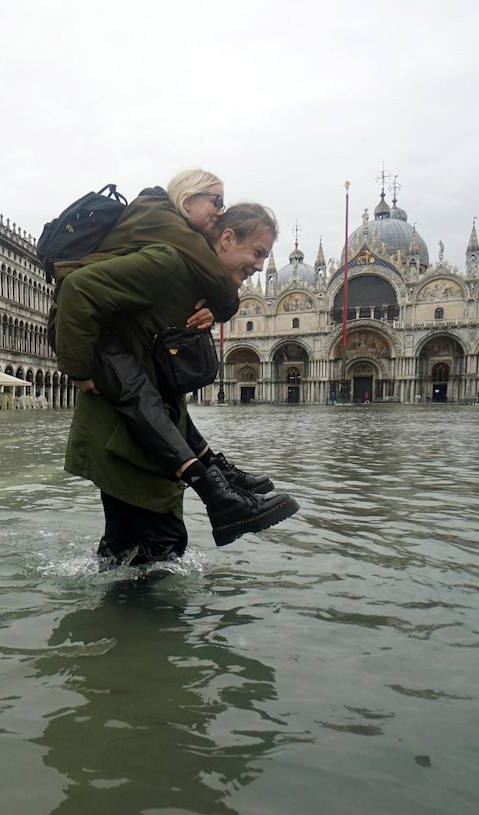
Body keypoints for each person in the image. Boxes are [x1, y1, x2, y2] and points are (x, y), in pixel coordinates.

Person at [57, 203, 298, 564]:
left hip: (142, 427)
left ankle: (220, 486)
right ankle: (218, 496)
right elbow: (77, 289)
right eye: (258, 252)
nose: (261, 265)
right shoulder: (169, 265)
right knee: (161, 544)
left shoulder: (198, 283)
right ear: (227, 239)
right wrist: (79, 371)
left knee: (128, 548)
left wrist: (218, 309)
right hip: (125, 432)